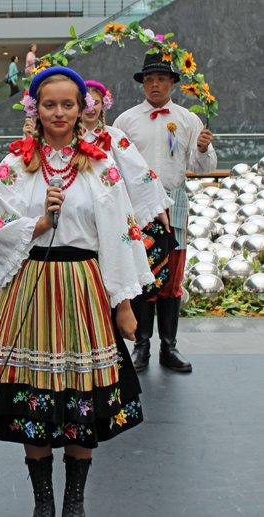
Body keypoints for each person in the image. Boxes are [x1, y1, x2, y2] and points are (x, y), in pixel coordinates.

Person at [0, 67, 153, 516]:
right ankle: (43, 501)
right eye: (49, 104)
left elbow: (120, 233)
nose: (58, 112)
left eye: (68, 104)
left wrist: (123, 305)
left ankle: (74, 500)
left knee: (83, 401)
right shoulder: (14, 166)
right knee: (34, 397)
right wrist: (38, 223)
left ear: (83, 109)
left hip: (84, 288)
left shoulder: (101, 165)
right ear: (34, 109)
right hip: (32, 287)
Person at [113, 52, 217, 373]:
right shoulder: (125, 121)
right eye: (148, 79)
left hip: (173, 202)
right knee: (144, 276)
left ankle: (168, 347)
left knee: (171, 277)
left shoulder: (188, 119)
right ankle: (141, 345)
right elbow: (114, 167)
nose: (154, 84)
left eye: (161, 78)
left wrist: (201, 148)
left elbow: (203, 166)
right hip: (139, 206)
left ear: (173, 82)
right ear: (142, 83)